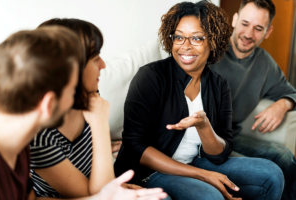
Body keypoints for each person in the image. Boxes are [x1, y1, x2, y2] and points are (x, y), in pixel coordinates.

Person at [114, 1, 285, 200]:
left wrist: (204, 127)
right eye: (179, 37)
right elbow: (136, 147)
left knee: (271, 174)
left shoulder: (219, 85)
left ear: (213, 41)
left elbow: (220, 153)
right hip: (149, 173)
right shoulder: (151, 76)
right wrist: (202, 175)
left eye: (196, 38)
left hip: (196, 161)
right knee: (209, 196)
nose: (185, 46)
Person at [0, 27, 166, 200]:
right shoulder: (30, 146)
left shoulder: (19, 148)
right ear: (48, 104)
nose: (76, 100)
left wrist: (101, 198)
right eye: (72, 92)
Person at [209, 0, 296, 199]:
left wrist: (283, 104)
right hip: (202, 140)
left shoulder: (264, 63)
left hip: (231, 137)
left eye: (258, 28)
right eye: (245, 24)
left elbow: (291, 92)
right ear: (234, 19)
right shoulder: (210, 49)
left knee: (285, 157)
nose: (248, 34)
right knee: (267, 173)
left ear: (268, 31)